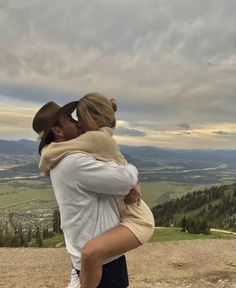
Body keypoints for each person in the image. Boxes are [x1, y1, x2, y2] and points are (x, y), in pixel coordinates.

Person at [38, 93, 155, 288]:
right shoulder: (73, 161)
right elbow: (125, 179)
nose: (76, 123)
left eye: (76, 117)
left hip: (92, 254)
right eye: (69, 119)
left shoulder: (65, 158)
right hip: (103, 261)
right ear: (58, 130)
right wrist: (133, 176)